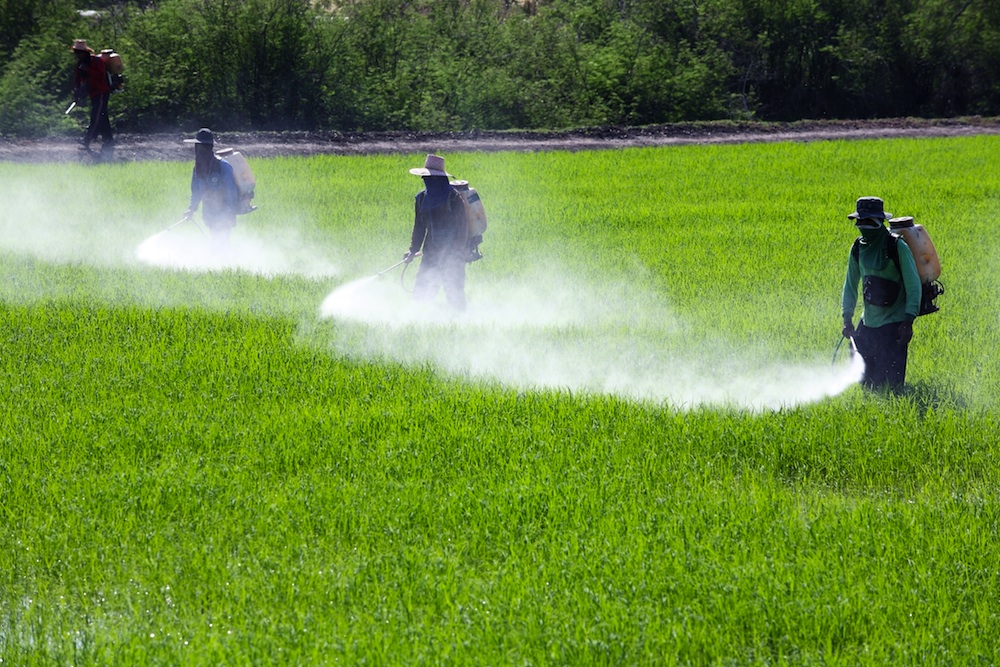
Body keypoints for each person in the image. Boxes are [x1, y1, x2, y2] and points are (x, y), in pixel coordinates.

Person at [841, 196, 922, 391]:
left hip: (894, 324)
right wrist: (847, 318)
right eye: (860, 221)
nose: (863, 226)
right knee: (866, 385)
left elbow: (914, 286)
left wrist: (908, 322)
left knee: (891, 387)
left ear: (879, 221)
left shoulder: (897, 247)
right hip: (868, 323)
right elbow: (850, 285)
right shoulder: (858, 248)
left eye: (868, 221)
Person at [404, 154, 469, 311]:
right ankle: (419, 319)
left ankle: (459, 319)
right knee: (422, 290)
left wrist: (456, 254)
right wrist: (413, 250)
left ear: (439, 179)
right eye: (425, 178)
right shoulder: (421, 199)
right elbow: (419, 227)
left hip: (453, 253)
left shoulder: (454, 198)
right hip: (430, 253)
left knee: (453, 291)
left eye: (429, 178)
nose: (426, 180)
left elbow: (463, 227)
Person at [182, 128, 239, 252]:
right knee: (216, 240)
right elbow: (196, 192)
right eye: (197, 147)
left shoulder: (223, 166)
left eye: (202, 147)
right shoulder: (197, 169)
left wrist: (229, 213)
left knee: (220, 242)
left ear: (209, 148)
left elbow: (231, 192)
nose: (199, 150)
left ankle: (225, 260)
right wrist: (191, 209)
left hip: (224, 211)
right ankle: (225, 259)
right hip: (209, 212)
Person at [69, 39, 113, 151]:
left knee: (96, 116)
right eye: (76, 52)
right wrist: (76, 93)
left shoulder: (97, 61)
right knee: (102, 117)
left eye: (79, 52)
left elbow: (100, 76)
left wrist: (88, 70)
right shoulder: (80, 64)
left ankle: (87, 139)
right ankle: (109, 140)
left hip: (102, 92)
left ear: (85, 52)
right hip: (93, 94)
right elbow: (77, 81)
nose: (77, 55)